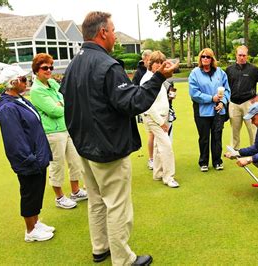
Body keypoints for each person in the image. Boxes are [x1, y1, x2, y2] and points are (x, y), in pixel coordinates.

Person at [60, 11, 177, 265]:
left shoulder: (73, 64)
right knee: (117, 205)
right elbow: (134, 102)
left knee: (96, 201)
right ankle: (123, 259)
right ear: (103, 32)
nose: (114, 35)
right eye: (113, 31)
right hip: (107, 147)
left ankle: (100, 247)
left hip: (85, 146)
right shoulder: (107, 66)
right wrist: (159, 77)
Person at [0, 65, 54, 242]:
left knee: (37, 191)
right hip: (29, 159)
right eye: (22, 79)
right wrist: (29, 159)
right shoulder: (7, 108)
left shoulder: (19, 99)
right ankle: (30, 230)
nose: (26, 81)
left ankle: (35, 223)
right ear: (12, 83)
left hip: (37, 155)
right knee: (29, 193)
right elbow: (15, 139)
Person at [30, 53, 87, 209]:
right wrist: (63, 104)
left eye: (50, 67)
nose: (49, 70)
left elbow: (66, 97)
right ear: (36, 70)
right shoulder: (36, 90)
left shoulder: (52, 83)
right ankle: (59, 197)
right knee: (57, 164)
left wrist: (62, 103)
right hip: (52, 133)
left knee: (75, 161)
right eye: (45, 68)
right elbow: (54, 111)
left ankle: (75, 191)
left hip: (66, 127)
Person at [140, 51, 179, 188]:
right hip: (154, 117)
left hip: (161, 115)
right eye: (156, 62)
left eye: (161, 62)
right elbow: (147, 105)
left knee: (158, 146)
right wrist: (162, 122)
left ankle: (157, 173)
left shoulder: (157, 77)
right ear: (150, 63)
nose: (159, 65)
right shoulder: (147, 79)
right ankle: (169, 177)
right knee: (166, 146)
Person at [189, 48, 230, 172]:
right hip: (202, 111)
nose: (205, 59)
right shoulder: (195, 73)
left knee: (217, 136)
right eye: (203, 57)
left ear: (212, 59)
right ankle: (203, 162)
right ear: (200, 59)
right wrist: (211, 98)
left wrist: (222, 102)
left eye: (208, 57)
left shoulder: (220, 73)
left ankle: (217, 161)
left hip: (218, 110)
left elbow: (227, 90)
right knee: (204, 137)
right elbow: (194, 93)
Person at [225, 45, 258, 150]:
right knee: (234, 129)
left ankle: (255, 148)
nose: (242, 57)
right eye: (240, 55)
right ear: (236, 55)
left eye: (244, 55)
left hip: (249, 103)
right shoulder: (229, 70)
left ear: (247, 56)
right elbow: (224, 85)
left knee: (253, 128)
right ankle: (234, 150)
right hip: (234, 103)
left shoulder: (253, 69)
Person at [133, 50, 155, 170]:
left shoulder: (153, 72)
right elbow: (135, 89)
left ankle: (156, 157)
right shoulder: (139, 74)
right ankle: (151, 159)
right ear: (145, 59)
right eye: (150, 59)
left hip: (155, 106)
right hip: (146, 108)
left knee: (156, 134)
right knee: (151, 133)